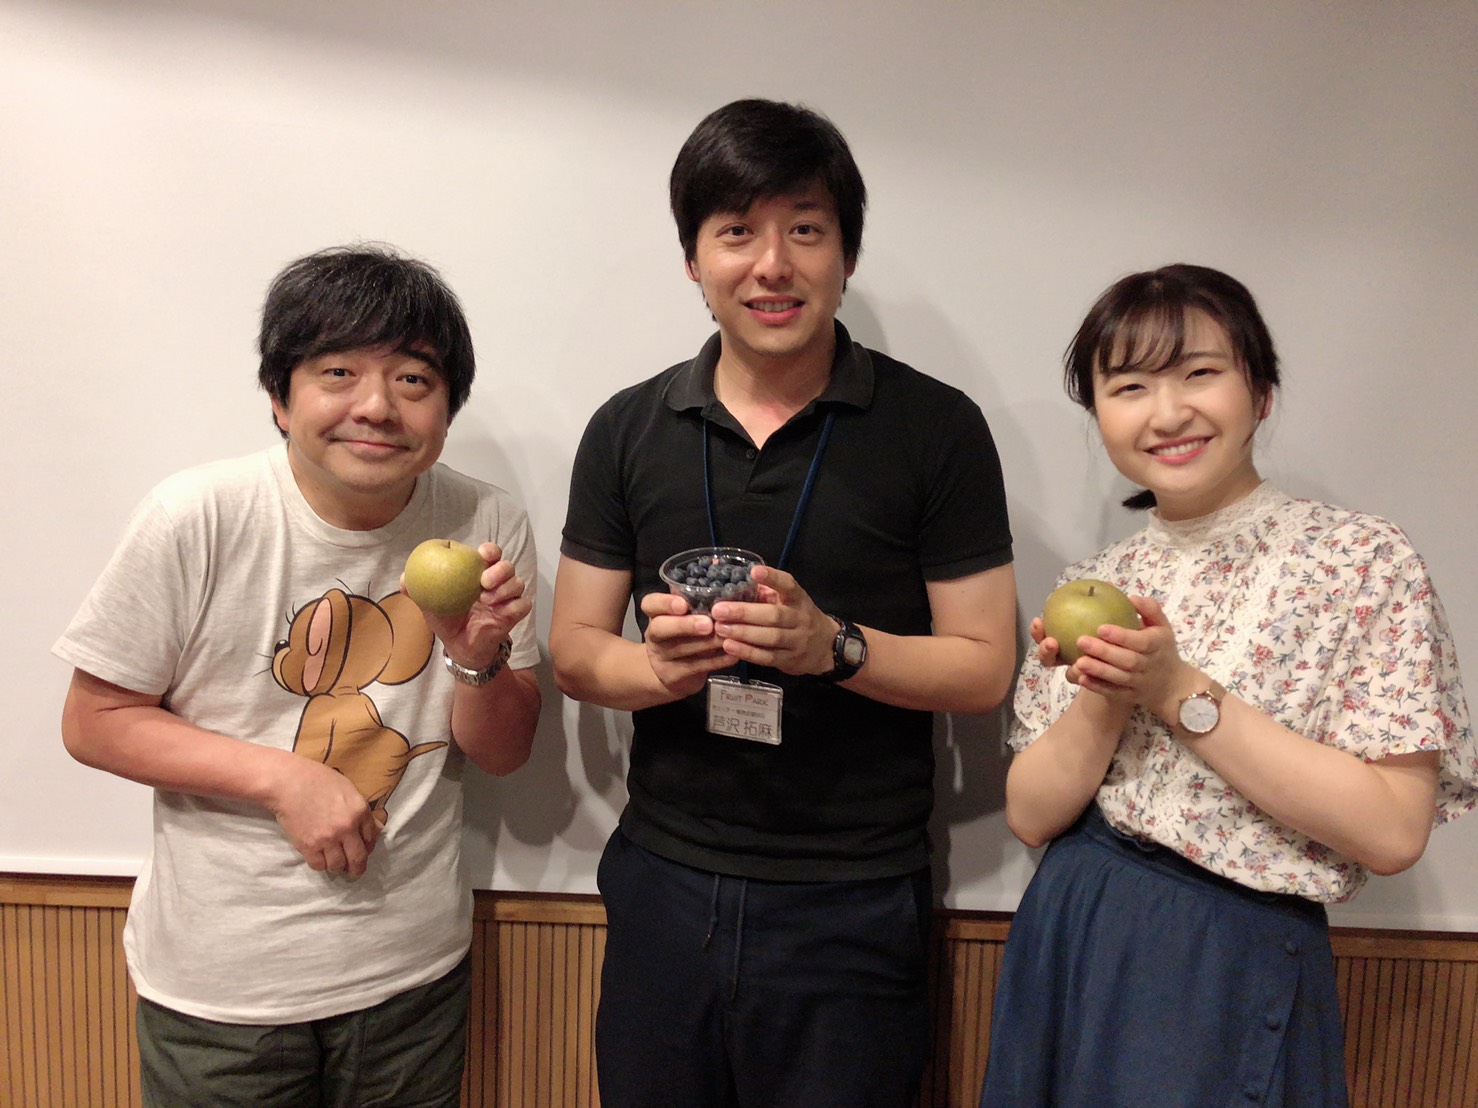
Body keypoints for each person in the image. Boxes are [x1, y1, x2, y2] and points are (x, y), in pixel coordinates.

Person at [548, 98, 1018, 1107]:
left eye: (805, 229)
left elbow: (985, 667)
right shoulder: (626, 429)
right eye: (736, 232)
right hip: (664, 879)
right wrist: (656, 670)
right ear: (693, 259)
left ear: (845, 255)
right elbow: (576, 648)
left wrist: (833, 647)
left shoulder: (935, 427)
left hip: (854, 896)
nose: (772, 265)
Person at [978, 264, 1477, 1107]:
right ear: (1099, 414)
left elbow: (1394, 831)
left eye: (1199, 373)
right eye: (1129, 386)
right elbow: (1031, 814)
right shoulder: (1097, 578)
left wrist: (1176, 689)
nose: (1167, 412)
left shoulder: (1360, 561)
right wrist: (1110, 690)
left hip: (1229, 952)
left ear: (1262, 391)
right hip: (1074, 920)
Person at [54, 244, 541, 1107]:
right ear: (281, 399)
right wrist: (285, 779)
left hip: (413, 974)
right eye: (338, 372)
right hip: (225, 990)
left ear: (446, 408)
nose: (376, 406)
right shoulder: (196, 516)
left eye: (413, 380)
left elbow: (503, 753)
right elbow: (94, 721)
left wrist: (476, 659)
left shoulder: (484, 521)